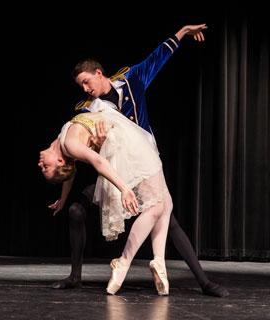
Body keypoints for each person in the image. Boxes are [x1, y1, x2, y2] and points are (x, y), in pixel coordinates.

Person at [47, 23, 229, 297]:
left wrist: (180, 33)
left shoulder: (132, 80)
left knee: (167, 216)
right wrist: (91, 147)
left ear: (99, 73)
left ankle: (203, 281)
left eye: (87, 81)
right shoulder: (88, 109)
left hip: (144, 162)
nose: (85, 89)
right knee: (76, 211)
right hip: (114, 170)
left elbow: (157, 57)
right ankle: (76, 276)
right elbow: (76, 151)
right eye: (81, 85)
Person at [39, 100, 173, 295]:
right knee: (158, 206)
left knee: (165, 204)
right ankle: (124, 263)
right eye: (46, 168)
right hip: (126, 144)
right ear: (60, 160)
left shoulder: (63, 142)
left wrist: (63, 199)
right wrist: (124, 188)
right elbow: (97, 161)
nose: (40, 165)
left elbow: (71, 171)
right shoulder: (69, 144)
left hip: (125, 138)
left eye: (45, 168)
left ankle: (159, 262)